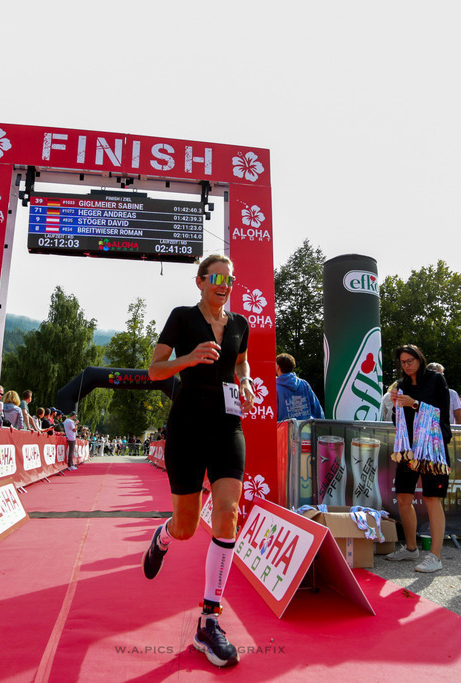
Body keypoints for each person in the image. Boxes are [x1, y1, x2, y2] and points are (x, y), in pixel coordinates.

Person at [143, 254, 254, 668]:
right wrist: (188, 359)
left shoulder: (241, 325)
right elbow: (154, 370)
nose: (225, 283)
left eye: (231, 277)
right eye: (217, 277)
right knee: (188, 527)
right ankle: (164, 537)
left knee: (227, 515)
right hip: (187, 428)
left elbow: (240, 362)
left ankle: (210, 621)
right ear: (201, 281)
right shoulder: (182, 318)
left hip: (228, 428)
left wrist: (244, 384)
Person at [385, 344, 452, 573]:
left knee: (433, 499)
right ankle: (412, 548)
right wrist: (397, 405)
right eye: (403, 362)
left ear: (419, 359)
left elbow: (442, 412)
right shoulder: (402, 385)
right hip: (409, 448)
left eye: (410, 361)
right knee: (403, 497)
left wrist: (412, 403)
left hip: (433, 446)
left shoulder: (435, 379)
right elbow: (398, 420)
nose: (406, 365)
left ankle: (435, 556)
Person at [274, 353, 325, 421]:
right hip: (305, 429)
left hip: (284, 430)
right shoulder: (304, 384)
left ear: (278, 367)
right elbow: (317, 409)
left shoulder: (275, 388)